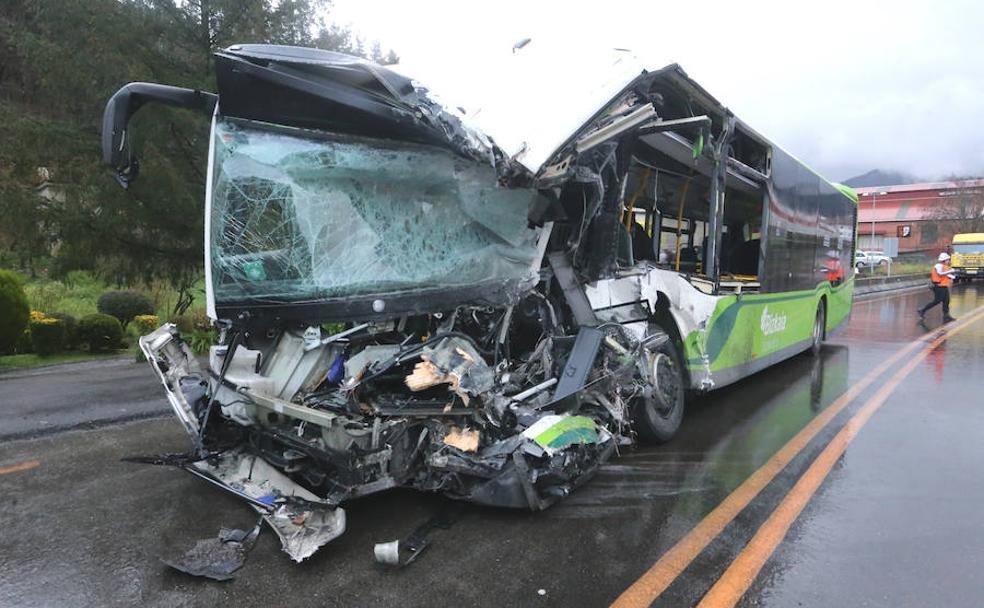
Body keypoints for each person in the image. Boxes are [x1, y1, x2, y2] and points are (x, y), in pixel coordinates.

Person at [918, 252, 957, 322]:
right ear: (944, 260)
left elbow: (946, 275)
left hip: (943, 286)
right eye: (948, 260)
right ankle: (922, 310)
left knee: (946, 300)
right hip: (938, 286)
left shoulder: (944, 266)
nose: (949, 261)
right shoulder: (938, 265)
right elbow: (940, 274)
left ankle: (946, 316)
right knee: (937, 301)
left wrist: (953, 276)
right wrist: (950, 271)